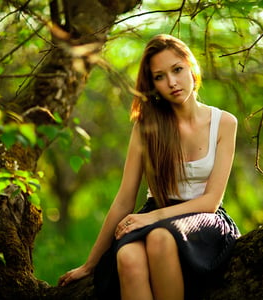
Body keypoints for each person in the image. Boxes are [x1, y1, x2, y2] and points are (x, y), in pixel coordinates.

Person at [58, 34, 240, 300]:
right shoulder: (147, 127)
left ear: (192, 67)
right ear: (153, 85)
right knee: (128, 256)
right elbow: (124, 199)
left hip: (202, 219)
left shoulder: (224, 123)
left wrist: (152, 217)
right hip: (155, 214)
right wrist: (90, 264)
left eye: (177, 70)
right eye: (159, 77)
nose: (172, 82)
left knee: (159, 237)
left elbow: (211, 202)